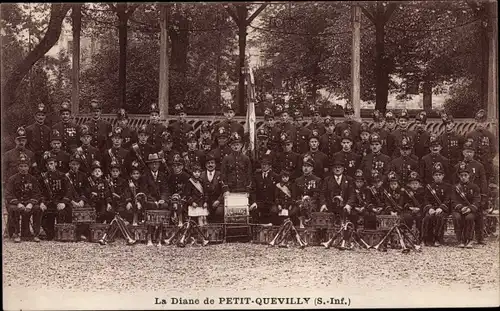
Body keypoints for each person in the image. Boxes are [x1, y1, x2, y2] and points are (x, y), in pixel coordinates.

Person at [452, 140, 488, 245]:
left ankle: (479, 237)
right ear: (463, 152)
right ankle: (463, 238)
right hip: (460, 197)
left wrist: (483, 196)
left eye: (471, 152)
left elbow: (483, 182)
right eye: (466, 151)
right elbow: (454, 182)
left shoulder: (479, 166)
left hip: (475, 196)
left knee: (478, 214)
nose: (468, 154)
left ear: (474, 153)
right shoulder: (458, 166)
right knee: (460, 216)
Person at [5, 153, 43, 243]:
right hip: (16, 203)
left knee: (38, 209)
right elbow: (8, 194)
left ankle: (36, 234)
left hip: (29, 203)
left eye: (25, 166)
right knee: (14, 209)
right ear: (18, 167)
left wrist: (31, 203)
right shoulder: (12, 179)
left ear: (28, 167)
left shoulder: (33, 179)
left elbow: (37, 194)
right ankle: (16, 233)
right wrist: (18, 203)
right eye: (21, 166)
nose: (23, 168)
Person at [39, 152, 72, 241]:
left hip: (60, 202)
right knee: (44, 217)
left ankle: (61, 233)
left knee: (63, 213)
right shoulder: (43, 177)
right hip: (49, 202)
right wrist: (42, 202)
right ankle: (50, 233)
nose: (50, 166)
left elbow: (69, 191)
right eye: (48, 164)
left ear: (56, 164)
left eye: (51, 164)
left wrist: (64, 202)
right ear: (45, 166)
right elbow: (40, 192)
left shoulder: (62, 176)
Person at [451, 162, 480, 248]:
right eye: (461, 175)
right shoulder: (455, 187)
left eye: (465, 175)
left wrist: (470, 208)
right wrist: (461, 208)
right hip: (458, 209)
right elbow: (453, 201)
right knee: (457, 217)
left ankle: (469, 239)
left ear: (469, 176)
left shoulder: (474, 187)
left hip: (470, 209)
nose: (463, 177)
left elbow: (477, 200)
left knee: (469, 217)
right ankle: (460, 240)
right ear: (459, 176)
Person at [422, 162, 451, 247]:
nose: (438, 176)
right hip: (432, 208)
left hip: (443, 209)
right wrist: (430, 208)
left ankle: (438, 238)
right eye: (436, 175)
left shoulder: (448, 187)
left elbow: (448, 199)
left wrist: (441, 208)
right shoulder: (429, 187)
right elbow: (426, 199)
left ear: (443, 176)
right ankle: (426, 238)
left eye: (440, 174)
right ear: (433, 176)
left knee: (439, 216)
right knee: (427, 217)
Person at [466, 109, 497, 186]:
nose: (480, 124)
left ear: (486, 123)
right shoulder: (470, 135)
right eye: (478, 122)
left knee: (485, 185)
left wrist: (488, 160)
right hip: (473, 164)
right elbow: (466, 149)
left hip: (486, 165)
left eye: (482, 122)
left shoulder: (490, 135)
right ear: (475, 122)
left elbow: (494, 150)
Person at [319, 159, 356, 224]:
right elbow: (322, 194)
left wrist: (348, 205)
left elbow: (352, 194)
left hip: (344, 207)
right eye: (335, 167)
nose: (337, 169)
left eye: (339, 167)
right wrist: (323, 204)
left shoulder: (349, 179)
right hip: (330, 207)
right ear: (333, 169)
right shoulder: (327, 180)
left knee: (353, 216)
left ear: (343, 169)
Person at [65, 154, 91, 241]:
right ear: (69, 165)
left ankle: (82, 233)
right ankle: (72, 233)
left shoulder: (83, 175)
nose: (75, 166)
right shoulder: (65, 176)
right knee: (69, 211)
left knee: (88, 210)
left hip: (81, 200)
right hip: (70, 201)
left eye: (76, 164)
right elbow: (65, 191)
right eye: (73, 164)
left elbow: (86, 189)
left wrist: (82, 200)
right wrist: (72, 201)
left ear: (79, 165)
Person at [292, 155, 322, 228]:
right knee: (293, 213)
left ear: (312, 168)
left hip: (312, 204)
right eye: (304, 166)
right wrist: (300, 202)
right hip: (299, 203)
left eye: (308, 166)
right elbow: (295, 195)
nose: (306, 168)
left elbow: (317, 195)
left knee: (310, 212)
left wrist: (308, 202)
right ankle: (295, 233)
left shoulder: (317, 180)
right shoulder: (298, 180)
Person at [252, 155, 280, 224]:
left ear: (270, 166)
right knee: (254, 210)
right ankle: (257, 229)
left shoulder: (275, 176)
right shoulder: (256, 176)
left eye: (266, 164)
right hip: (260, 202)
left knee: (274, 211)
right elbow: (253, 190)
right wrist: (254, 202)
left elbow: (278, 192)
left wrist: (278, 203)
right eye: (262, 164)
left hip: (271, 202)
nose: (263, 166)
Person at [401, 171, 425, 244]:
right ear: (409, 184)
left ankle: (419, 236)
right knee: (407, 217)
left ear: (419, 184)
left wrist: (419, 208)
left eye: (416, 183)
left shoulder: (422, 192)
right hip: (409, 210)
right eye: (412, 184)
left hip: (419, 210)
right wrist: (410, 208)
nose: (414, 185)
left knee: (420, 217)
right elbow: (403, 203)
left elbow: (424, 202)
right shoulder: (406, 192)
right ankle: (407, 236)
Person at [26, 103, 51, 170]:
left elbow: (49, 144)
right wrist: (31, 158)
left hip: (45, 157)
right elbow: (26, 145)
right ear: (35, 116)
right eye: (38, 115)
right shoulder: (29, 129)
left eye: (43, 115)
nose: (41, 117)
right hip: (33, 157)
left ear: (45, 116)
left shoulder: (48, 129)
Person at [201, 153, 224, 224]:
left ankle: (218, 231)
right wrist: (203, 202)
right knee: (202, 214)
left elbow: (224, 190)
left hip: (217, 202)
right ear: (205, 165)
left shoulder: (220, 174)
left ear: (215, 164)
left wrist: (219, 200)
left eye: (212, 163)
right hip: (205, 202)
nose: (210, 165)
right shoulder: (201, 175)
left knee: (219, 212)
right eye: (208, 163)